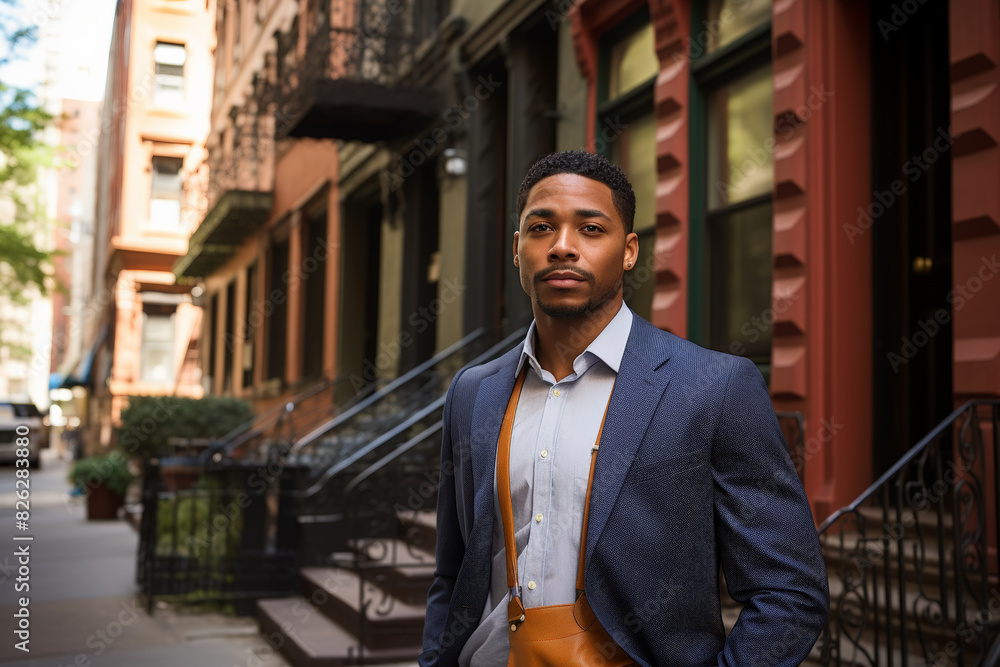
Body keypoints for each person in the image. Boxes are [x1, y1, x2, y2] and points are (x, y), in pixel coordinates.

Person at [419, 150, 828, 667]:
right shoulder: (472, 393)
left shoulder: (715, 388)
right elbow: (452, 574)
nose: (562, 246)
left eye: (591, 229)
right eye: (542, 228)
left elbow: (789, 590)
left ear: (630, 251)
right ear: (518, 249)